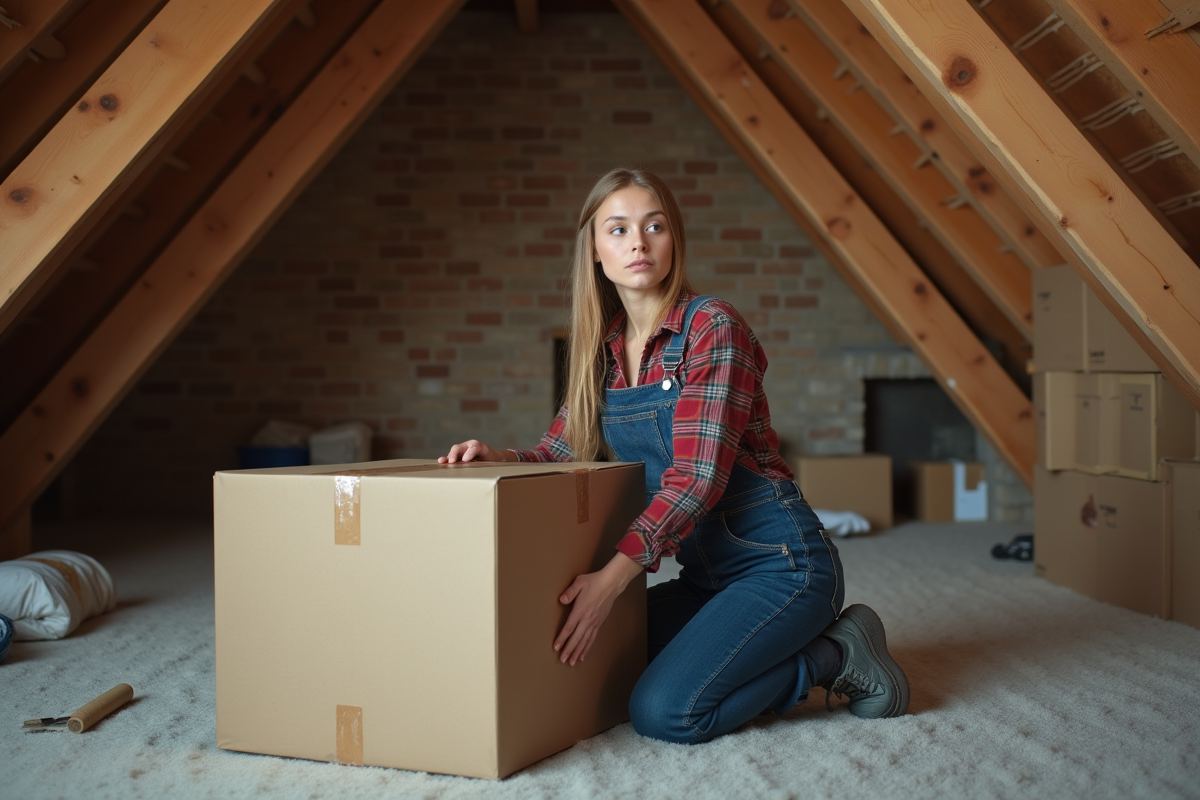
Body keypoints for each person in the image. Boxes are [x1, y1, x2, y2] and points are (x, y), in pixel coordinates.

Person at [439, 167, 908, 744]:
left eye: (653, 225)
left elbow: (698, 477)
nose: (638, 242)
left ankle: (836, 656)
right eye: (617, 229)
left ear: (673, 240)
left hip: (781, 564)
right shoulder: (601, 354)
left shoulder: (711, 326)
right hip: (704, 575)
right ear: (595, 253)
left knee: (666, 711)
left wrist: (611, 580)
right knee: (596, 661)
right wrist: (500, 458)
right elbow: (560, 450)